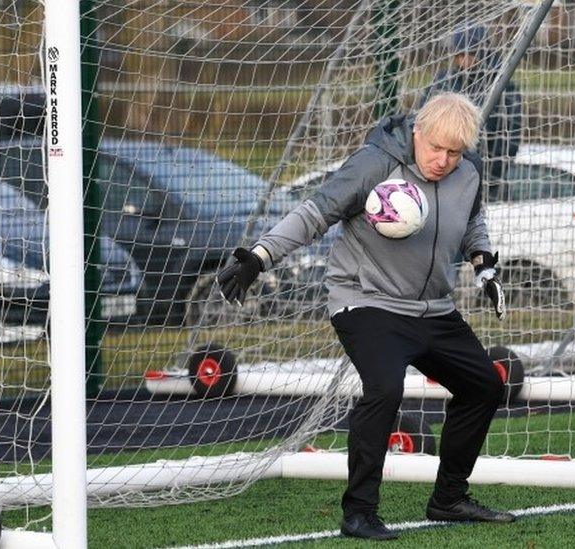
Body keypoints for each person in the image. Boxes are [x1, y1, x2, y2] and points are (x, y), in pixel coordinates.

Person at [217, 92, 512, 541]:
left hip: (433, 309)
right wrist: (259, 256)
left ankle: (449, 498)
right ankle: (359, 512)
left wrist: (484, 267)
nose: (443, 160)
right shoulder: (374, 164)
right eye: (436, 148)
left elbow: (473, 223)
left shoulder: (467, 174)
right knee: (385, 389)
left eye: (454, 153)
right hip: (365, 301)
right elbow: (315, 212)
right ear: (418, 132)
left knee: (484, 386)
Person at [418, 24, 523, 184]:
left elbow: (511, 136)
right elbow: (421, 122)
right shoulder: (444, 82)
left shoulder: (502, 86)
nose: (464, 60)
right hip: (440, 172)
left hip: (483, 177)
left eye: (471, 53)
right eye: (460, 54)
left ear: (483, 52)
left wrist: (489, 177)